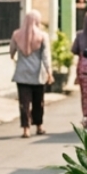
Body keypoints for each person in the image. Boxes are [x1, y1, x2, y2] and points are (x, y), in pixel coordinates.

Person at [10, 9, 52, 139]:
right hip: (37, 75)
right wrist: (49, 72)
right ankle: (39, 126)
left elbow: (11, 51)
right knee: (38, 102)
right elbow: (45, 57)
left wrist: (15, 58)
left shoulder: (16, 34)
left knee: (24, 103)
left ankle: (26, 129)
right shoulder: (42, 36)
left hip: (21, 75)